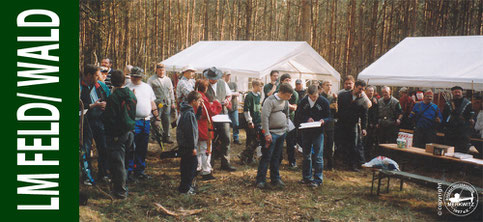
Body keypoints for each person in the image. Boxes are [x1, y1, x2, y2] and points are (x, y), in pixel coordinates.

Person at [102, 70, 137, 199]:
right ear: (124, 81)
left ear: (112, 82)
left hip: (117, 134)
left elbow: (110, 118)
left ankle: (120, 191)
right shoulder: (131, 94)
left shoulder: (114, 97)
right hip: (129, 132)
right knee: (125, 161)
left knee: (118, 163)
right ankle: (122, 186)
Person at [256, 83, 293, 189]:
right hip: (271, 133)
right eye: (289, 95)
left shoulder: (285, 101)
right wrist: (266, 133)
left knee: (277, 157)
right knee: (267, 156)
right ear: (282, 93)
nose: (290, 98)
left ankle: (275, 178)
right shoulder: (270, 101)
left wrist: (286, 126)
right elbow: (264, 117)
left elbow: (287, 114)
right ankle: (261, 180)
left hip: (281, 132)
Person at [80, 64, 111, 183]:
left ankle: (103, 174)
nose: (98, 78)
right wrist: (93, 106)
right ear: (88, 75)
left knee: (103, 147)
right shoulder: (80, 87)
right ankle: (87, 176)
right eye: (96, 76)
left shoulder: (101, 85)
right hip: (85, 122)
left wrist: (106, 105)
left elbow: (109, 98)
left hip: (100, 121)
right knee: (85, 149)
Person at [295, 85, 330, 187]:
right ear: (307, 94)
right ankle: (306, 177)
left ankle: (318, 179)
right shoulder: (303, 101)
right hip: (306, 131)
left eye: (315, 96)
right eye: (311, 96)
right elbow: (298, 115)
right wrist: (307, 119)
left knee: (318, 156)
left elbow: (329, 116)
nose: (313, 98)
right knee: (306, 155)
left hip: (318, 131)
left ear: (318, 93)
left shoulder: (324, 101)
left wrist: (324, 120)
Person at [126, 67, 158, 180]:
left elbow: (152, 102)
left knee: (142, 147)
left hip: (146, 121)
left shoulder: (147, 87)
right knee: (131, 147)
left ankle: (139, 170)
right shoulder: (127, 88)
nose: (135, 78)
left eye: (137, 76)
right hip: (133, 121)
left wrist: (157, 117)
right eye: (133, 76)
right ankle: (129, 171)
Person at [204, 67, 237, 171]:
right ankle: (210, 163)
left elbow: (229, 95)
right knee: (211, 140)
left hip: (223, 115)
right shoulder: (204, 85)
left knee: (226, 139)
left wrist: (227, 100)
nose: (214, 80)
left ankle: (225, 163)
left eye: (215, 78)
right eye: (212, 78)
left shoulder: (222, 83)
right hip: (210, 116)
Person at [336, 80, 368, 171]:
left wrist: (364, 128)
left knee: (353, 146)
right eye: (360, 89)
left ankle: (352, 165)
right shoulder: (343, 96)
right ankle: (341, 162)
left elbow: (364, 116)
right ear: (355, 87)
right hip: (342, 124)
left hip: (353, 125)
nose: (361, 91)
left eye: (363, 89)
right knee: (341, 144)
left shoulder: (363, 100)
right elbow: (338, 109)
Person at [194, 79, 222, 180]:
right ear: (205, 88)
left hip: (196, 125)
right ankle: (206, 171)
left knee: (198, 148)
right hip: (203, 126)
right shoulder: (202, 98)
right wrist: (216, 103)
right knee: (206, 148)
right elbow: (211, 111)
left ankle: (198, 167)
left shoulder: (194, 96)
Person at [177, 91, 203, 194]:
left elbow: (195, 120)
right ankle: (186, 188)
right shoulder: (188, 113)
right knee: (190, 166)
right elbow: (190, 132)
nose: (200, 102)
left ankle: (185, 187)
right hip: (188, 146)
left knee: (187, 165)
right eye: (199, 101)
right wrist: (193, 147)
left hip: (185, 145)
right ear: (193, 101)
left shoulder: (188, 111)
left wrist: (200, 109)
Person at [148, 62, 176, 144]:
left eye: (163, 70)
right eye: (159, 70)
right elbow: (149, 92)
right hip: (157, 104)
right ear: (156, 70)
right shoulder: (151, 79)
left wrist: (173, 102)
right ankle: (154, 137)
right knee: (155, 121)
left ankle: (166, 137)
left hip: (167, 103)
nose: (161, 72)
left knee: (166, 120)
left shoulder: (168, 80)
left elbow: (171, 91)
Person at [443, 86, 475, 153]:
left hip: (463, 131)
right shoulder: (448, 103)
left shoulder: (468, 103)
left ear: (462, 93)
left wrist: (471, 120)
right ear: (452, 93)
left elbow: (471, 114)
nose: (457, 94)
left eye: (459, 92)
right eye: (455, 92)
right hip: (450, 131)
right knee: (450, 149)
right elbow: (445, 115)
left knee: (462, 150)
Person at [239, 79, 264, 164]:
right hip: (251, 122)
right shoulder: (249, 96)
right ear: (255, 86)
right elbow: (247, 110)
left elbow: (258, 108)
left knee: (256, 140)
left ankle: (248, 156)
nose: (261, 88)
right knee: (250, 139)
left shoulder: (258, 95)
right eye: (260, 86)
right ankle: (244, 157)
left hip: (258, 121)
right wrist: (249, 121)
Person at [278, 74, 298, 168]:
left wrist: (285, 102)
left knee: (290, 142)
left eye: (290, 80)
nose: (288, 81)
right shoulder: (278, 92)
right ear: (282, 81)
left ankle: (291, 161)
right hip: (278, 121)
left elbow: (294, 107)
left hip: (290, 119)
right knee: (279, 141)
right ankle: (278, 159)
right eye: (286, 80)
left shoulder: (294, 93)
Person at [319, 81, 337, 170]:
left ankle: (330, 164)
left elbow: (335, 112)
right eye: (327, 85)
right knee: (320, 144)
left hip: (330, 124)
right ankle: (319, 163)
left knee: (330, 144)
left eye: (330, 85)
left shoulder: (333, 97)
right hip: (321, 123)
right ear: (323, 86)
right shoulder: (320, 97)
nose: (329, 87)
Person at [224, 72, 242, 145]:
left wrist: (229, 94)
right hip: (226, 108)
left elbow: (237, 93)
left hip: (234, 107)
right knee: (226, 125)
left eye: (229, 75)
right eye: (227, 75)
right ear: (224, 76)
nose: (228, 76)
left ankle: (236, 138)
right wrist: (232, 94)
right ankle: (226, 139)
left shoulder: (233, 84)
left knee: (236, 123)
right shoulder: (223, 84)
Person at [363, 86, 379, 160]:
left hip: (373, 126)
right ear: (366, 91)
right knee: (364, 142)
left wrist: (376, 122)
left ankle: (368, 157)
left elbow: (377, 113)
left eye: (372, 91)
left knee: (370, 142)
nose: (371, 92)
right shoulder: (363, 100)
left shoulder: (375, 101)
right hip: (365, 124)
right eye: (369, 91)